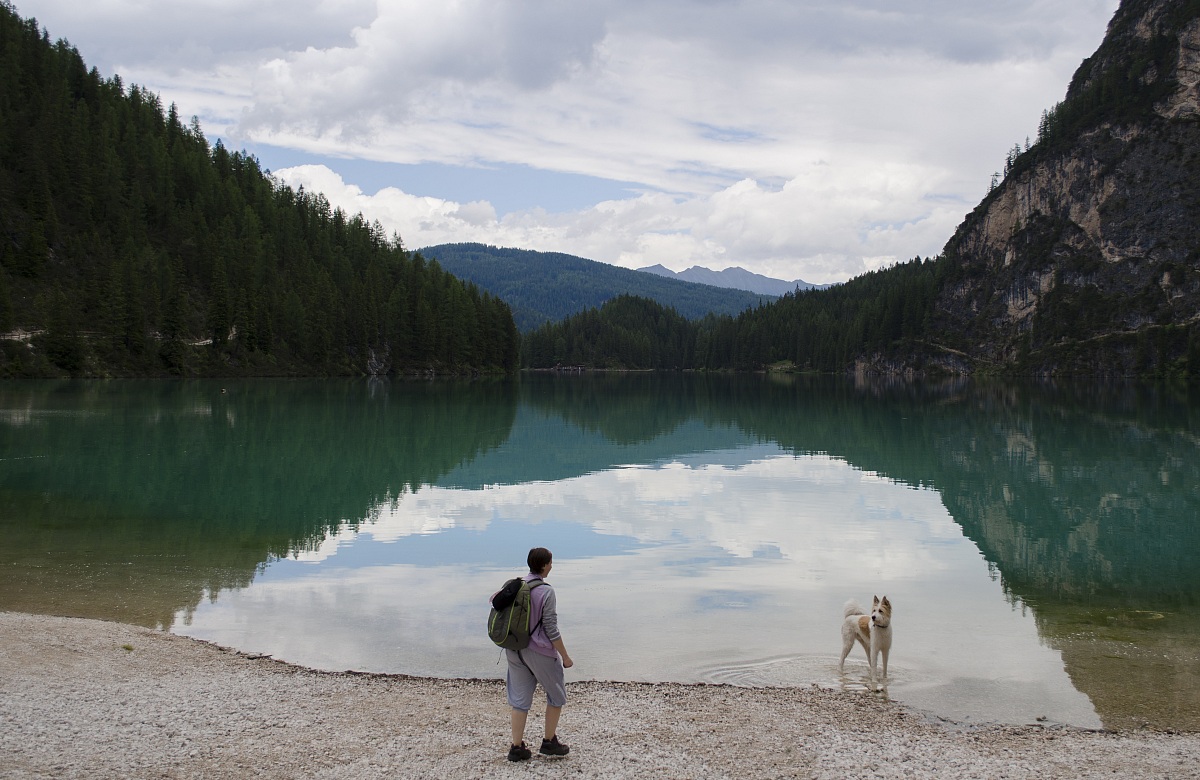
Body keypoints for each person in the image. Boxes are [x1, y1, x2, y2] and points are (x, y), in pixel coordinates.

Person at [503, 547, 574, 762]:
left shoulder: (514, 585)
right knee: (556, 695)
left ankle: (516, 748)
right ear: (543, 565)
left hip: (514, 649)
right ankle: (549, 742)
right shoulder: (546, 591)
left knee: (520, 700)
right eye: (550, 562)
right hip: (539, 651)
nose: (552, 566)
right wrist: (565, 656)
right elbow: (551, 628)